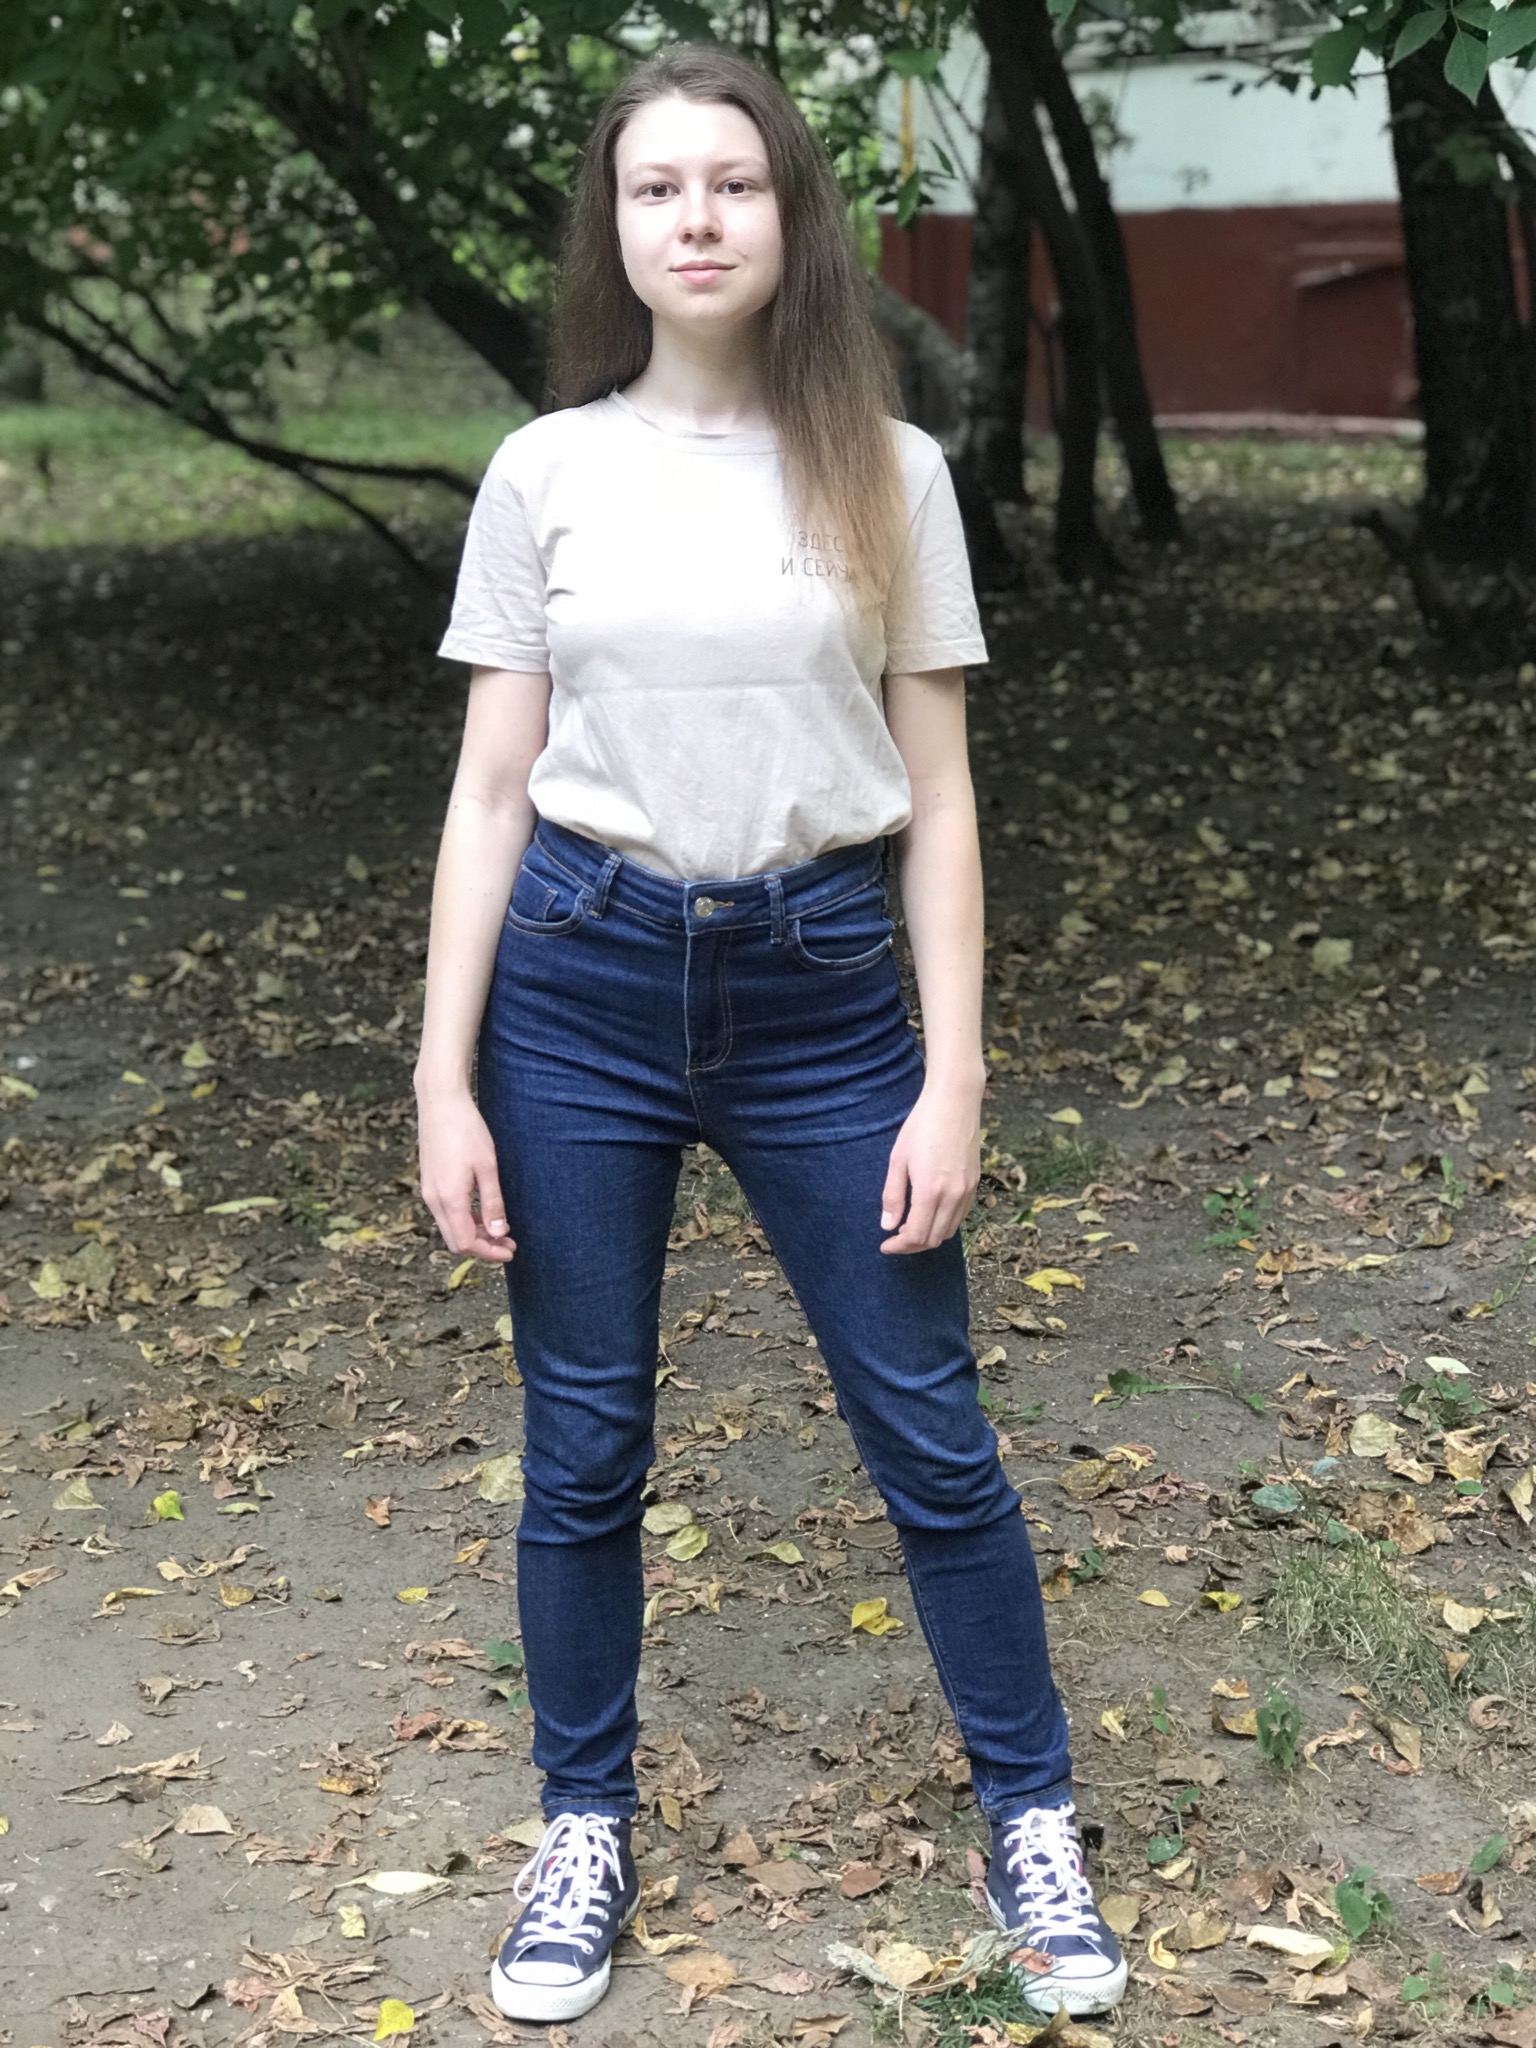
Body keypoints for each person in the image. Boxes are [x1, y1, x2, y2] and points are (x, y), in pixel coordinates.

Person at [415, 40, 1127, 2030]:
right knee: (584, 1445)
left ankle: (1034, 1817)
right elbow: (490, 789)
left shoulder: (889, 472)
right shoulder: (545, 472)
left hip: (826, 997)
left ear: (792, 216)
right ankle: (582, 1823)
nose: (698, 218)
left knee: (932, 1436)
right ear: (616, 228)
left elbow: (944, 802)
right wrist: (442, 1073)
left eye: (733, 182)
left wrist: (954, 1077)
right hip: (578, 988)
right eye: (658, 188)